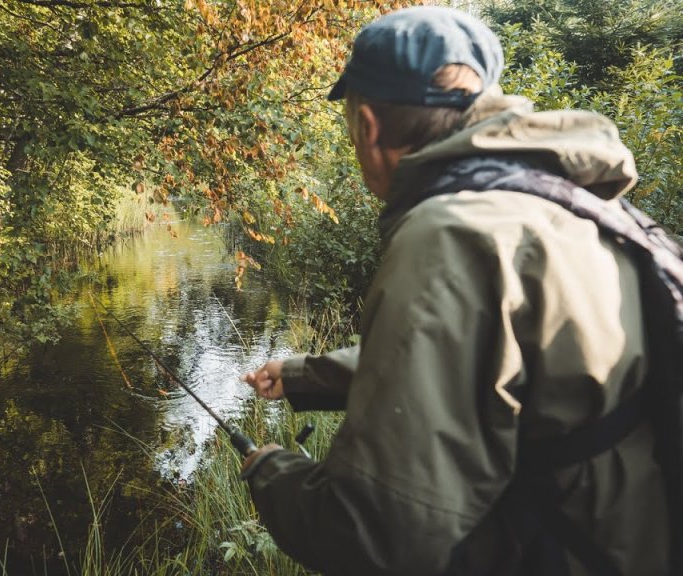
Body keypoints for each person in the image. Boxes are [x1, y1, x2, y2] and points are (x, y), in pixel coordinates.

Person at [240, 6, 670, 576]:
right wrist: (306, 375)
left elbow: (379, 534)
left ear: (366, 126)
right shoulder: (577, 206)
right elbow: (507, 364)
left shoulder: (452, 235)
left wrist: (268, 471)